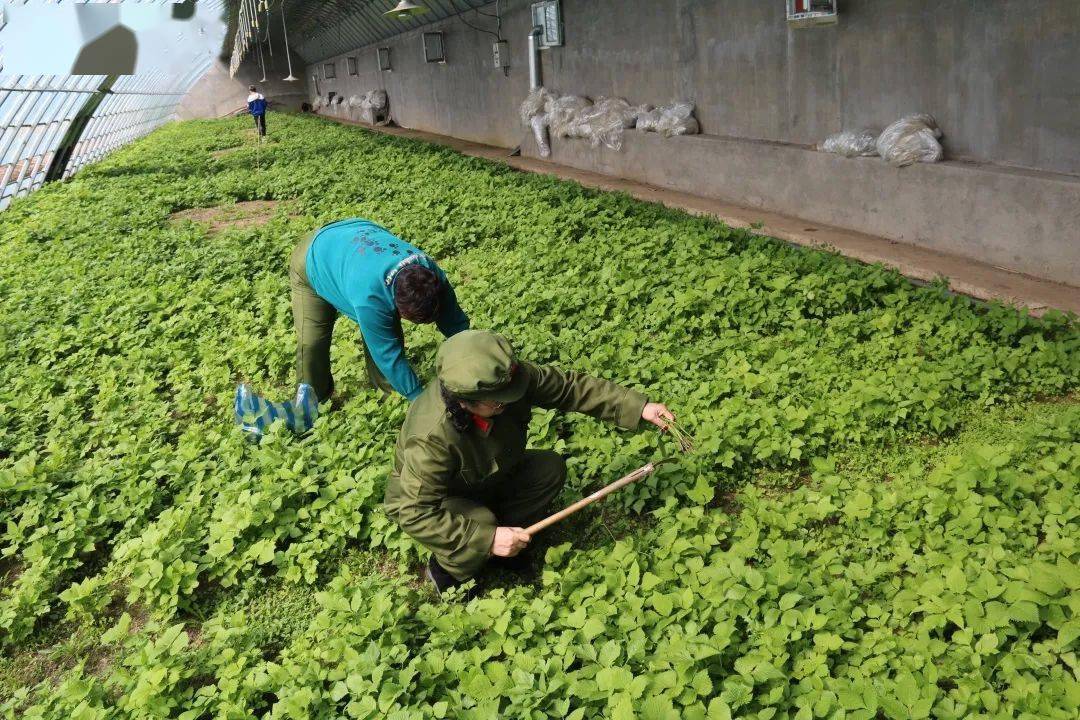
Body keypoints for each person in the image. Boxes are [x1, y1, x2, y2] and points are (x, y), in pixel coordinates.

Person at [383, 330, 676, 596]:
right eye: (498, 403)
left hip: (486, 474)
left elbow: (569, 388)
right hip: (441, 499)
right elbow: (413, 510)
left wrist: (638, 407)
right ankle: (448, 571)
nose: (509, 403)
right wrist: (485, 537)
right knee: (481, 523)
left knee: (548, 470)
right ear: (463, 401)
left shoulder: (509, 381)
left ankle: (504, 542)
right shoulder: (431, 437)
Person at [290, 218, 469, 403]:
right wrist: (419, 400)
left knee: (380, 328)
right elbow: (389, 355)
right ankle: (309, 405)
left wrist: (473, 355)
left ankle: (388, 396)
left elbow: (455, 323)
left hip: (356, 233)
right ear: (395, 301)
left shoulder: (431, 273)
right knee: (312, 342)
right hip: (314, 256)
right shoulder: (370, 298)